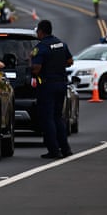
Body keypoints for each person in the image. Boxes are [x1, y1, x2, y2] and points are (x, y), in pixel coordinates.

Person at [31, 20, 73, 159]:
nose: (37, 33)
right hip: (61, 84)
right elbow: (70, 61)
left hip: (47, 86)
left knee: (47, 119)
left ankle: (54, 150)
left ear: (42, 31)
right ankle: (65, 149)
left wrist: (30, 65)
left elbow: (36, 69)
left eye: (37, 31)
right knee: (58, 117)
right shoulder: (61, 44)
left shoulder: (41, 47)